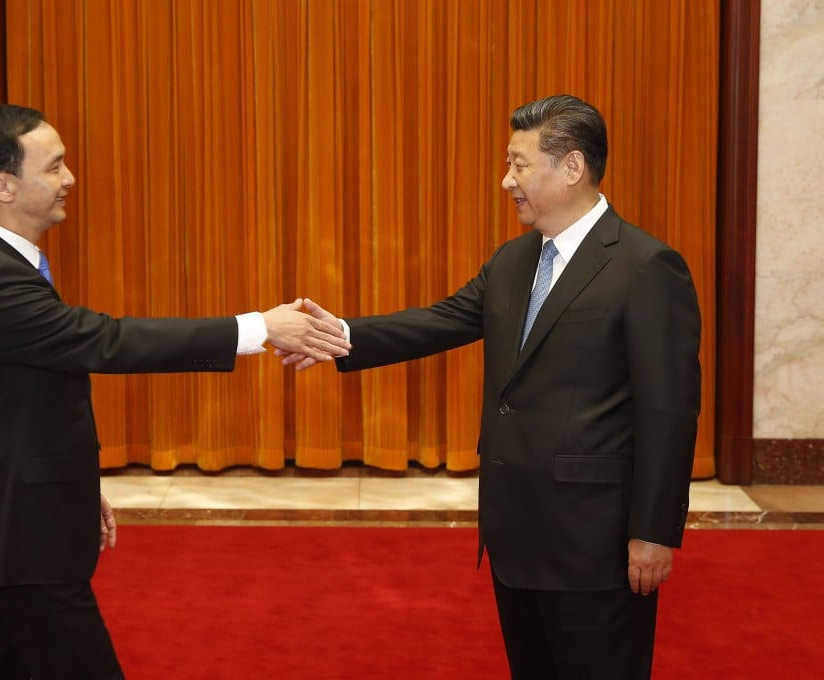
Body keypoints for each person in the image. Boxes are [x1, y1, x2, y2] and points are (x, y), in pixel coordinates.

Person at [282, 95, 701, 679]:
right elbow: (439, 320)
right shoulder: (512, 262)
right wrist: (338, 334)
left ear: (572, 167)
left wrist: (653, 532)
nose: (507, 180)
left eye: (519, 164)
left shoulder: (646, 266)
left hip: (595, 545)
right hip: (516, 536)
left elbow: (668, 411)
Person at [0, 103, 350, 679]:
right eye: (53, 167)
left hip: (24, 523)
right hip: (23, 532)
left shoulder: (1, 266)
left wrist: (75, 484)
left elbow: (29, 404)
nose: (70, 179)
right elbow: (105, 341)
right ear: (2, 184)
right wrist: (255, 328)